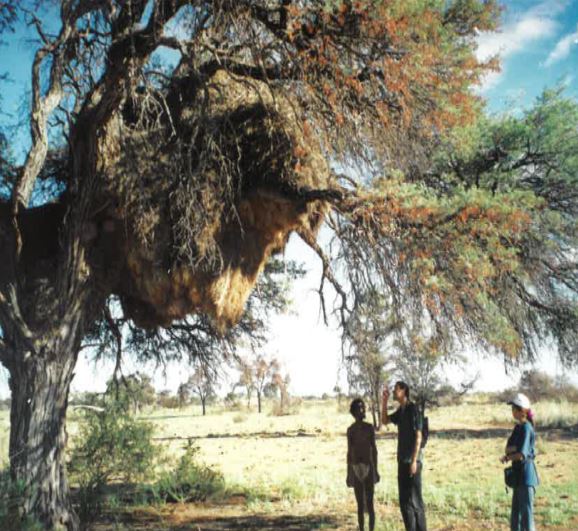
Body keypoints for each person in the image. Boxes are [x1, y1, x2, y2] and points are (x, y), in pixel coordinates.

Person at [382, 382, 427, 531]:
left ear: (404, 391)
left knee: (416, 502)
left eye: (396, 389)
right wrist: (384, 401)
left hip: (412, 461)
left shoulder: (413, 409)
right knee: (405, 503)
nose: (394, 391)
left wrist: (414, 461)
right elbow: (384, 421)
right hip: (402, 461)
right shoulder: (401, 410)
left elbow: (418, 436)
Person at [500, 392, 539, 531]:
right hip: (518, 477)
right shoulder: (518, 428)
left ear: (521, 410)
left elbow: (521, 454)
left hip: (526, 478)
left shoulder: (526, 428)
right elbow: (508, 448)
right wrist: (512, 451)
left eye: (514, 408)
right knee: (516, 517)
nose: (512, 411)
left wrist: (511, 454)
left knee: (526, 519)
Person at [347, 398, 379, 531]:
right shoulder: (351, 430)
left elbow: (374, 450)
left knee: (370, 505)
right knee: (360, 505)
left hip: (368, 467)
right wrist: (349, 473)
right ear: (354, 412)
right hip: (355, 468)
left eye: (363, 407)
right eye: (359, 408)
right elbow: (349, 452)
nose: (362, 410)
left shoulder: (369, 428)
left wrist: (376, 470)